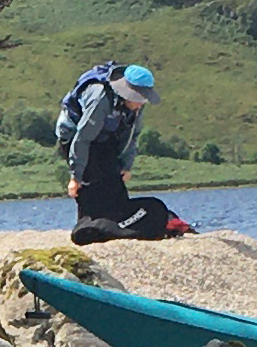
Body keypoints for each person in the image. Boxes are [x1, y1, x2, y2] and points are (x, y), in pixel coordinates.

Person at [58, 60, 190, 243]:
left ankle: (112, 226)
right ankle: (87, 228)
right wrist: (75, 177)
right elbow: (83, 139)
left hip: (106, 136)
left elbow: (131, 136)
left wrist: (125, 166)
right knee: (91, 182)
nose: (141, 103)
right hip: (75, 135)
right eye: (138, 98)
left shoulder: (135, 106)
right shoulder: (100, 98)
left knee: (114, 183)